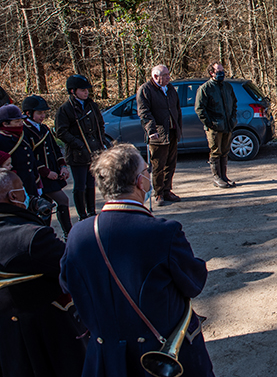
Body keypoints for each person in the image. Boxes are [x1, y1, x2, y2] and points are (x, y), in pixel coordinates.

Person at [60, 144, 214, 376]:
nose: (149, 175)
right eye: (146, 170)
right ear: (139, 182)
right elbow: (194, 283)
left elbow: (67, 283)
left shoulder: (77, 234)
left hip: (105, 355)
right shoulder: (163, 232)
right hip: (159, 356)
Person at [0, 170, 86, 377]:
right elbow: (76, 269)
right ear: (13, 196)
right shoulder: (32, 238)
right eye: (23, 190)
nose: (28, 194)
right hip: (45, 338)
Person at [55, 75, 107, 220]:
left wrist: (101, 141)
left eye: (87, 90)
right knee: (80, 185)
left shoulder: (92, 105)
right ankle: (82, 214)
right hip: (77, 153)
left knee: (91, 183)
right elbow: (61, 132)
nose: (86, 93)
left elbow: (100, 125)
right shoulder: (65, 109)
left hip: (94, 150)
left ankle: (91, 211)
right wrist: (78, 144)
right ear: (73, 91)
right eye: (83, 90)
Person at [22, 96, 72, 237]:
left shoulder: (44, 128)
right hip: (40, 176)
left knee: (46, 206)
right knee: (63, 200)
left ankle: (45, 234)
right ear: (28, 113)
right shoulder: (25, 130)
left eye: (44, 113)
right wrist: (45, 171)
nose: (42, 116)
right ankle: (68, 233)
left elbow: (55, 149)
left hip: (52, 173)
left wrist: (62, 165)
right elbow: (28, 156)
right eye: (39, 113)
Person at [137, 64, 183, 205]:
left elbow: (177, 109)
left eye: (168, 74)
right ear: (155, 76)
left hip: (172, 131)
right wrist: (151, 131)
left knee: (171, 163)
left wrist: (178, 127)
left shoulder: (170, 89)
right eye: (165, 75)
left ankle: (167, 190)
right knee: (158, 165)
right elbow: (144, 113)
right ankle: (159, 193)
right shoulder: (146, 89)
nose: (168, 77)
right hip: (158, 134)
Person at [195, 62, 238, 188]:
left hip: (227, 125)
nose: (222, 73)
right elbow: (199, 109)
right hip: (214, 127)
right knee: (216, 151)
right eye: (218, 71)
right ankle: (217, 177)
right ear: (211, 73)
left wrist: (233, 119)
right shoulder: (205, 89)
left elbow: (234, 103)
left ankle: (224, 176)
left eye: (223, 71)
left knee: (225, 151)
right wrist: (210, 123)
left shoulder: (227, 87)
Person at [0, 104, 42, 208]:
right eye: (17, 122)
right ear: (5, 123)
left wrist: (37, 182)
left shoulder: (22, 135)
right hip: (13, 187)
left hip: (29, 183)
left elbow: (31, 159)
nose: (21, 124)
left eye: (21, 121)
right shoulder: (1, 139)